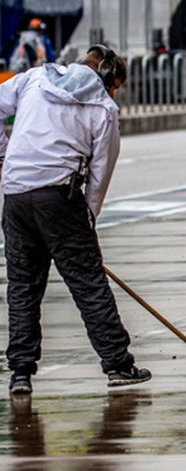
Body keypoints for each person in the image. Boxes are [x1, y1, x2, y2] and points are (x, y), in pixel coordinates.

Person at [0, 45, 151, 395]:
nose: (114, 93)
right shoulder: (103, 107)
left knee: (22, 287)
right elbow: (101, 171)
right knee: (88, 284)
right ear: (108, 77)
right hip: (60, 197)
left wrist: (5, 157)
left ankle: (20, 373)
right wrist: (88, 215)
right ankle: (117, 364)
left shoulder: (34, 78)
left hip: (16, 196)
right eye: (116, 86)